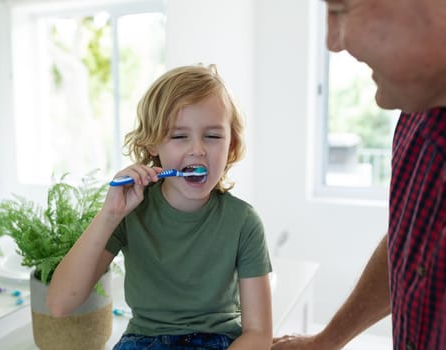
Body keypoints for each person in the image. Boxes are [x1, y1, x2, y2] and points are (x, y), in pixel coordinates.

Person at [46, 64, 273, 349]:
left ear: (232, 143)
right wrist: (109, 215)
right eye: (179, 136)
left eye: (213, 136)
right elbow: (59, 303)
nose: (198, 149)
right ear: (152, 144)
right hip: (144, 341)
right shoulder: (130, 213)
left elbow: (259, 334)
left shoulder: (243, 222)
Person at [272, 0, 446, 349]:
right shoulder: (417, 117)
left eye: (341, 9)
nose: (333, 42)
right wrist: (327, 340)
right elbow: (412, 244)